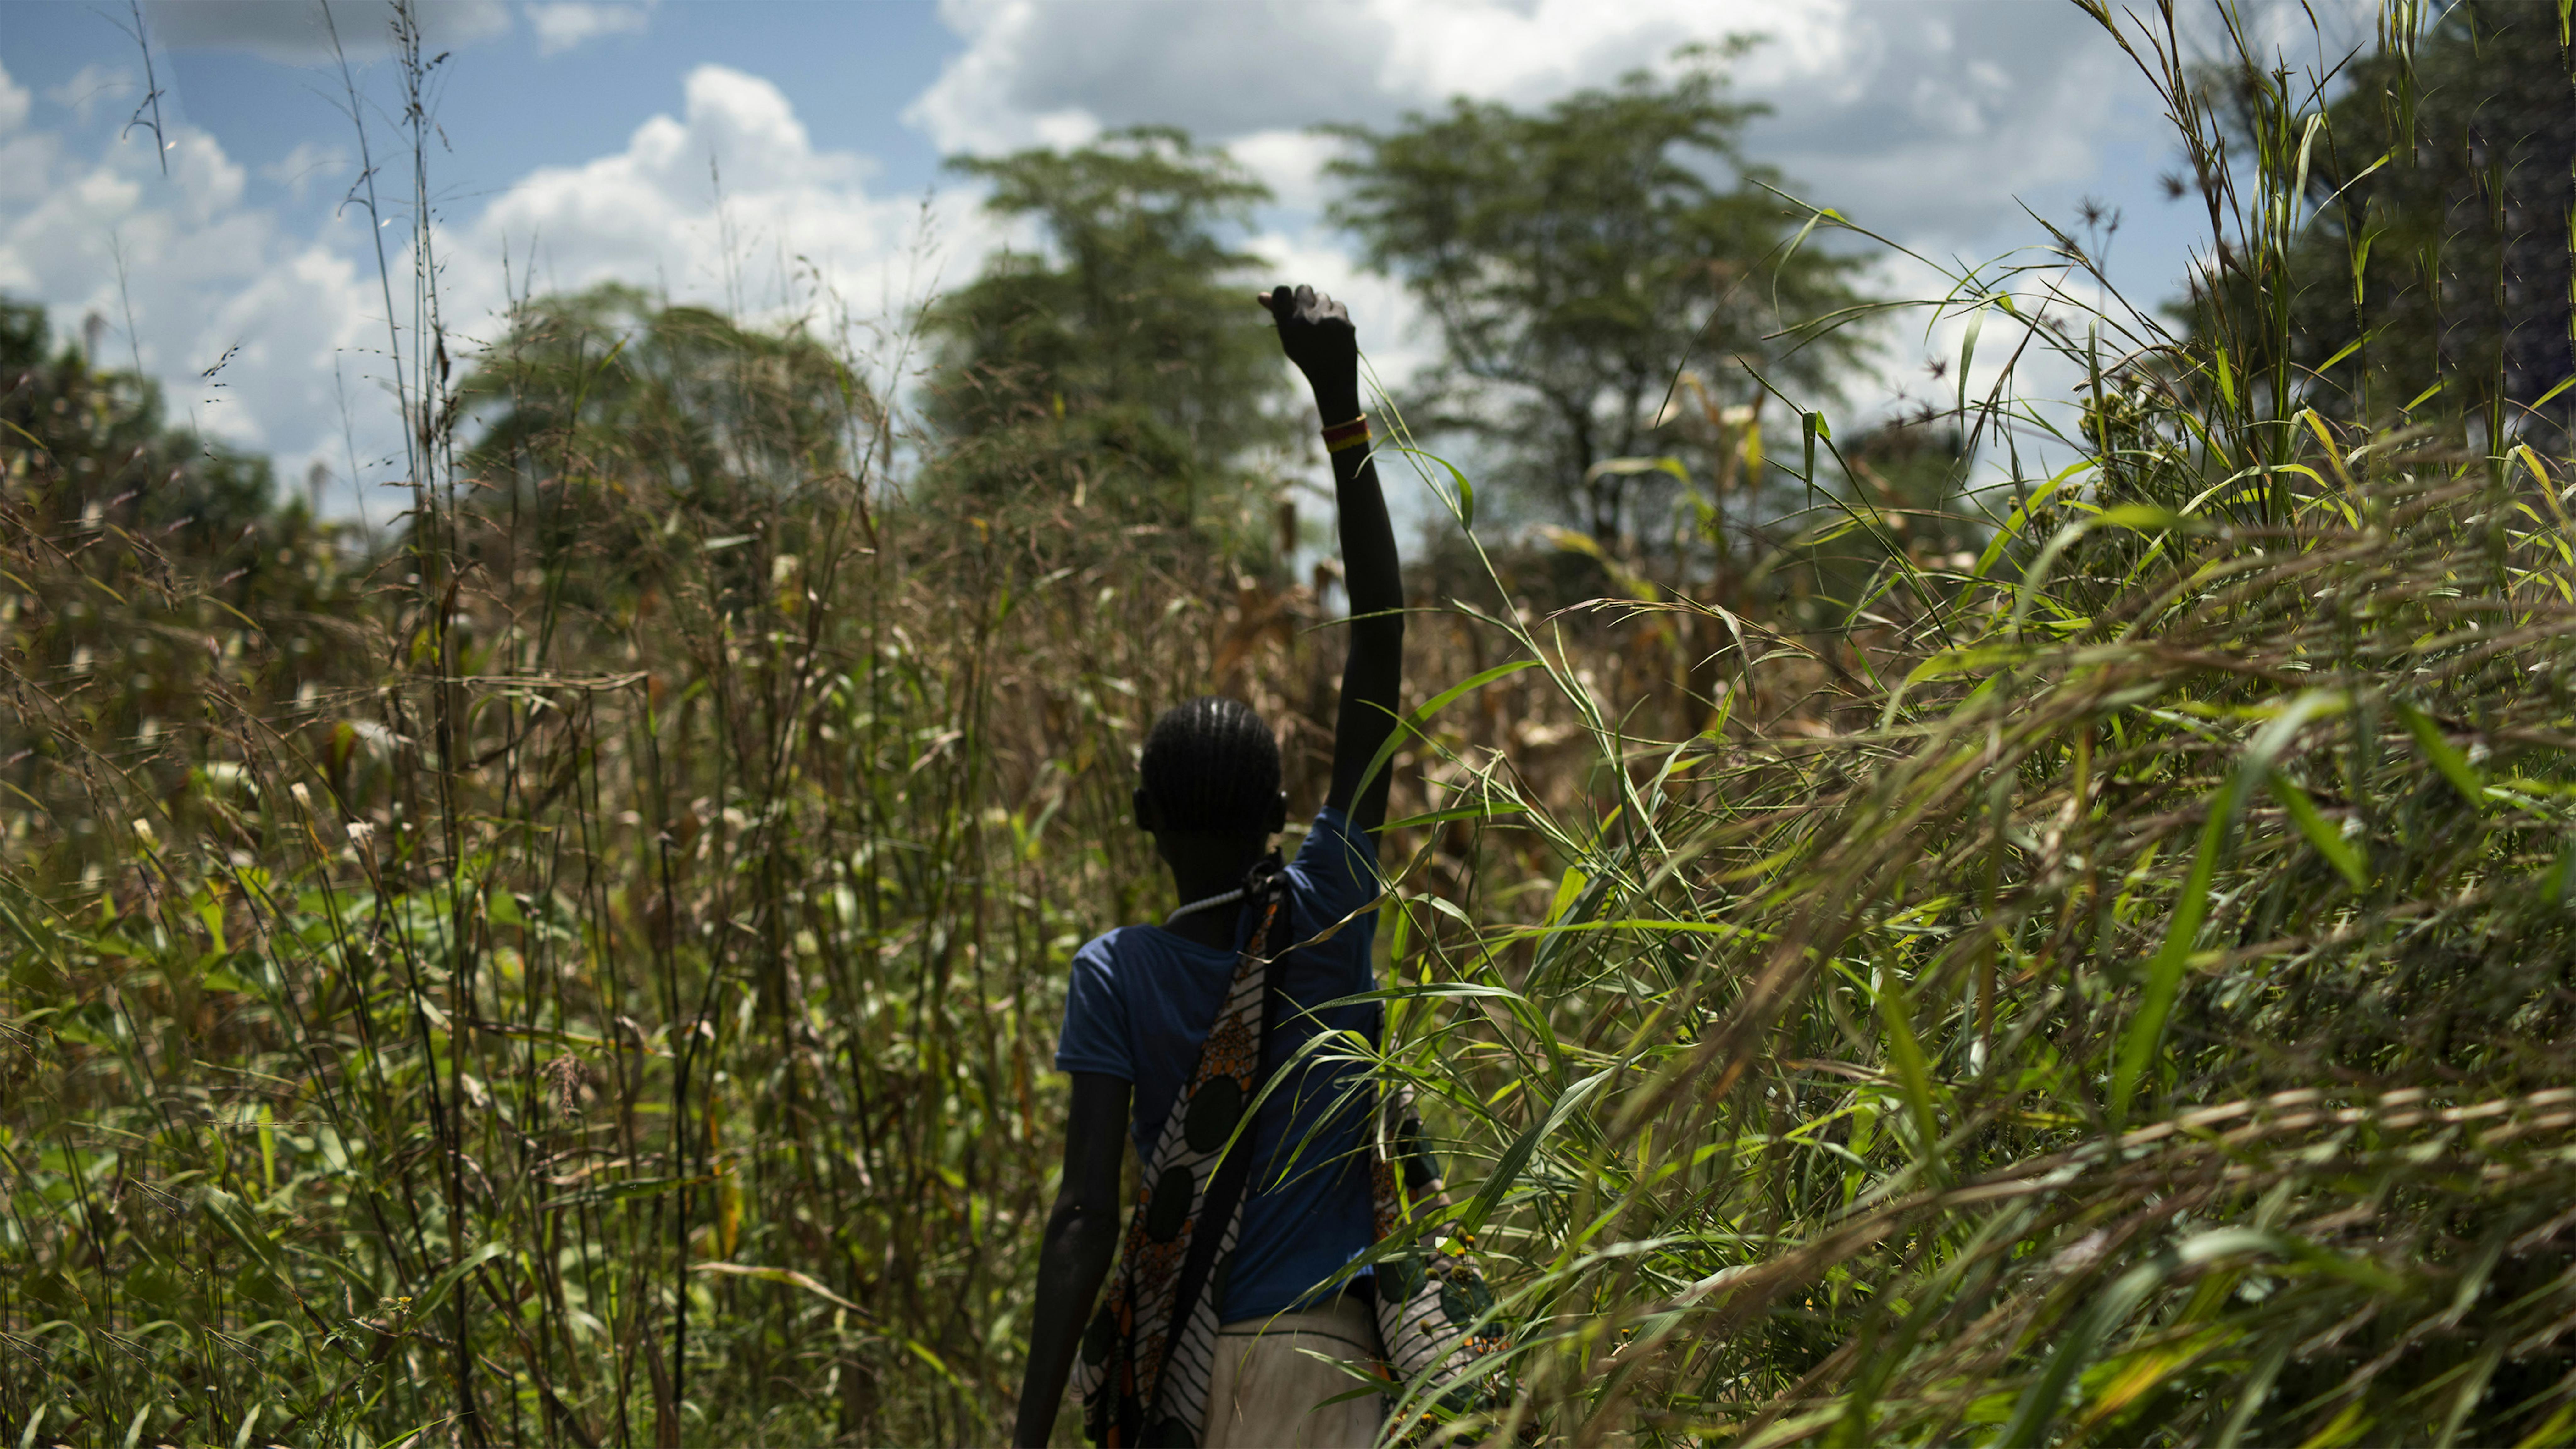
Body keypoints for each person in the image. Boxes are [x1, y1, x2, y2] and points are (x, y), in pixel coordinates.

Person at [1012, 285, 1406, 1449]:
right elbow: (1378, 635)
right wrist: (1341, 406)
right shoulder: (1329, 898)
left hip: (1178, 1371)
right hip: (1328, 1367)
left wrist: (1031, 1430)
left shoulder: (1113, 972)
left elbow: (1084, 1214)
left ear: (1142, 818)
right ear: (1284, 811)